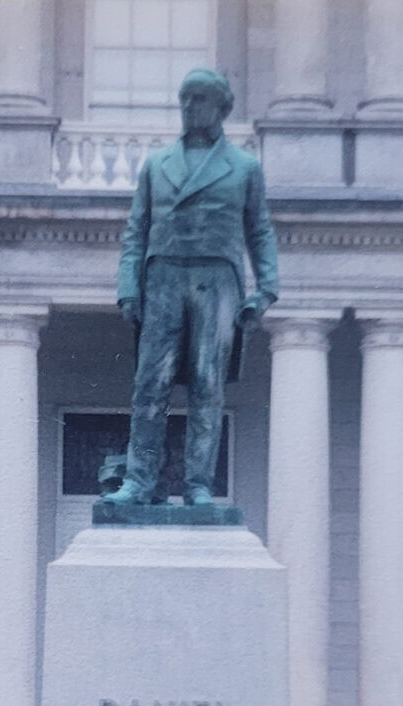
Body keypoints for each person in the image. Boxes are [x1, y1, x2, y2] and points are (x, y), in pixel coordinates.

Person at [105, 67, 279, 507]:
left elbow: (260, 231)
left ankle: (198, 484)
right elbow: (136, 230)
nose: (189, 106)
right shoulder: (156, 164)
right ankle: (139, 481)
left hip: (216, 279)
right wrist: (128, 287)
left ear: (222, 107)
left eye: (199, 98)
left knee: (207, 385)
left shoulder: (244, 168)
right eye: (184, 98)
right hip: (162, 276)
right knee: (150, 384)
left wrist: (265, 290)